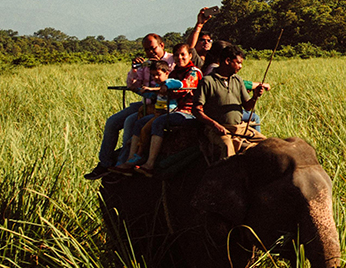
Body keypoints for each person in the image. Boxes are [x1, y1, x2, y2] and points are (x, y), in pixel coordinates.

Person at [83, 33, 174, 179]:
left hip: (163, 105)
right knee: (112, 122)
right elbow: (132, 86)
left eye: (153, 48)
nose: (150, 53)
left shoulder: (172, 61)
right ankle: (104, 163)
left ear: (161, 46)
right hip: (145, 103)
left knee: (130, 122)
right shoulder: (145, 64)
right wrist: (134, 69)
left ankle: (123, 164)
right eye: (146, 50)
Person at [193, 44, 270, 163]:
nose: (241, 66)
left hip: (239, 128)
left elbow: (247, 107)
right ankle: (227, 178)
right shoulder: (208, 81)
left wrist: (255, 96)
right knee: (227, 147)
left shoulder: (237, 80)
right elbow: (197, 110)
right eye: (238, 63)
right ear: (227, 61)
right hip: (217, 130)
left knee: (267, 144)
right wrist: (214, 125)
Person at [136, 43, 204, 175]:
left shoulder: (194, 72)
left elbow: (183, 87)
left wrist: (163, 89)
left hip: (188, 111)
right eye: (177, 55)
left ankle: (150, 163)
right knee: (140, 122)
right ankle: (134, 156)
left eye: (183, 54)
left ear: (190, 56)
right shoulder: (174, 72)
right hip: (172, 109)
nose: (180, 58)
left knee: (159, 122)